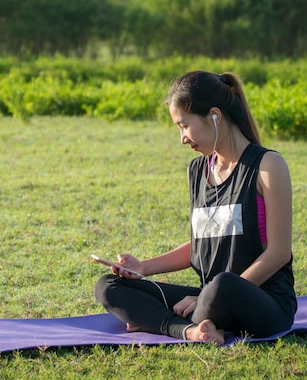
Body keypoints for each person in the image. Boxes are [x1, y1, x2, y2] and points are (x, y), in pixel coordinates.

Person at [93, 71, 296, 344]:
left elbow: (279, 253)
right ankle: (191, 330)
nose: (182, 138)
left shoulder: (268, 166)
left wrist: (204, 296)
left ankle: (162, 318)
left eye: (184, 126)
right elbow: (203, 243)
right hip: (209, 297)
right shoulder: (198, 170)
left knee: (223, 285)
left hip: (262, 301)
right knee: (108, 286)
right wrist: (143, 267)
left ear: (215, 116)